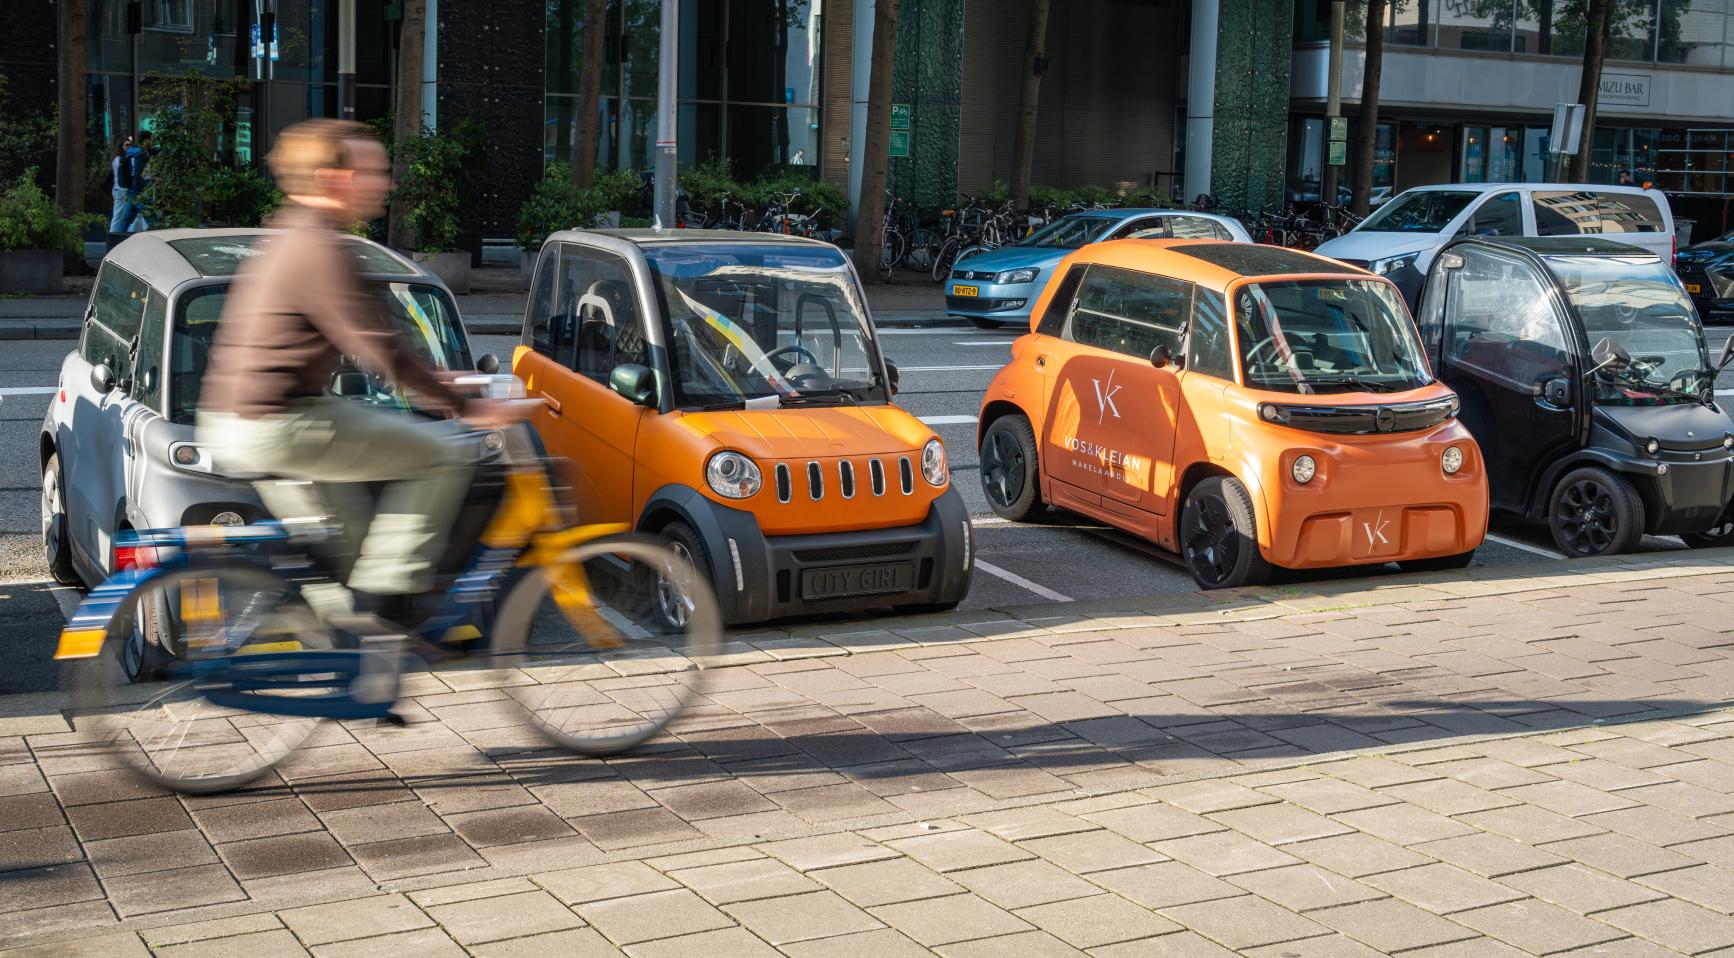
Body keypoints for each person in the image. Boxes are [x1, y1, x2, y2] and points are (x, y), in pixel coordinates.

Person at [197, 119, 522, 626]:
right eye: (374, 171)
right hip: (276, 423)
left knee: (350, 552)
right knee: (443, 455)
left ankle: (356, 666)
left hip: (246, 417)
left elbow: (374, 340)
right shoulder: (320, 250)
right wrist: (467, 407)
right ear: (334, 178)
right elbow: (380, 351)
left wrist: (440, 381)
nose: (385, 184)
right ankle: (392, 603)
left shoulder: (294, 234)